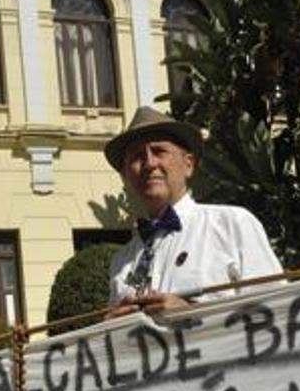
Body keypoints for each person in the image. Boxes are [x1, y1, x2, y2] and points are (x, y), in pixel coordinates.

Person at [105, 107, 283, 317]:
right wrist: (109, 327)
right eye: (136, 156)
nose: (149, 163)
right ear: (126, 174)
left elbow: (278, 310)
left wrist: (193, 315)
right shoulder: (121, 261)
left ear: (188, 164)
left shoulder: (233, 224)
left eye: (159, 151)